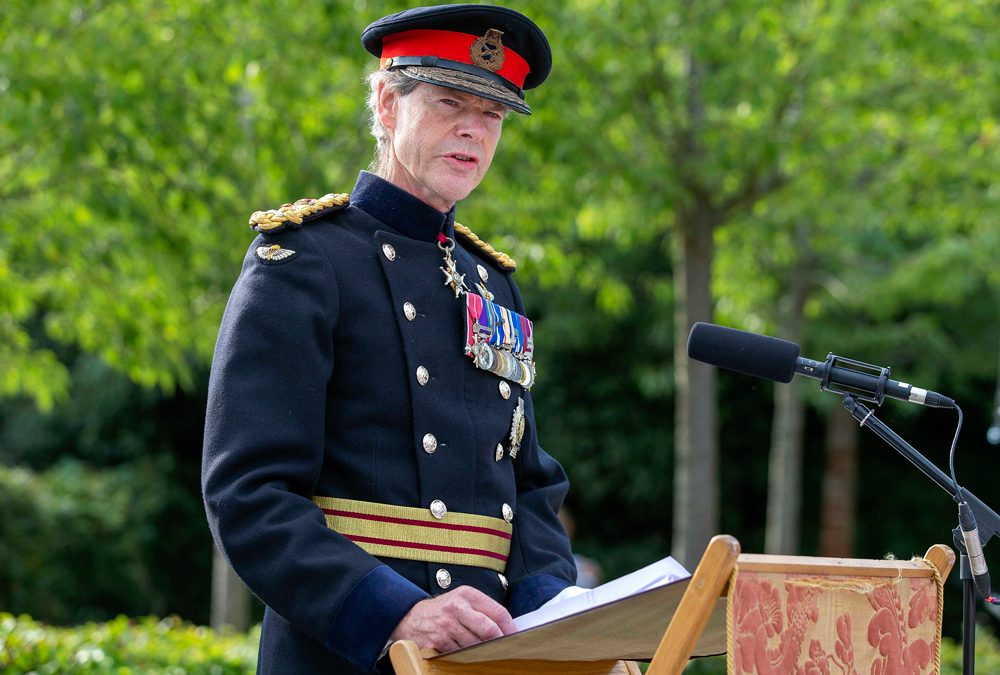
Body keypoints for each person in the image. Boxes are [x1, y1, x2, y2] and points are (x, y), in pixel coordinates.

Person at [201, 4, 577, 673]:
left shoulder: (493, 284)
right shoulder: (301, 263)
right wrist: (393, 612)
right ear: (385, 101)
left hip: (492, 658)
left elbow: (530, 488)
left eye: (491, 114)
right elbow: (249, 492)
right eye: (448, 102)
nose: (471, 129)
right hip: (346, 652)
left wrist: (558, 618)